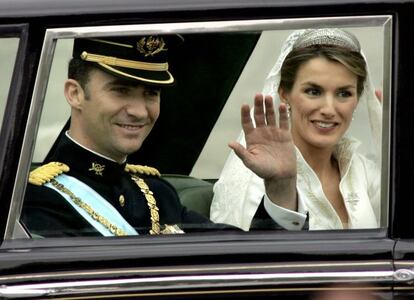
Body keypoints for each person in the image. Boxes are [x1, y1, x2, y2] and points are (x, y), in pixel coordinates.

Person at [21, 35, 293, 237]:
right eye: (121, 90)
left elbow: (250, 261)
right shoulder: (35, 202)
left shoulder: (157, 194)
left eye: (151, 94)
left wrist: (280, 184)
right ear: (75, 93)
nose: (140, 112)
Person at [210, 28, 382, 231]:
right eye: (313, 91)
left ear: (358, 98)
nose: (329, 109)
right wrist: (280, 186)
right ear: (284, 93)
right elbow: (242, 258)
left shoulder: (365, 172)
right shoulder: (253, 179)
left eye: (344, 93)